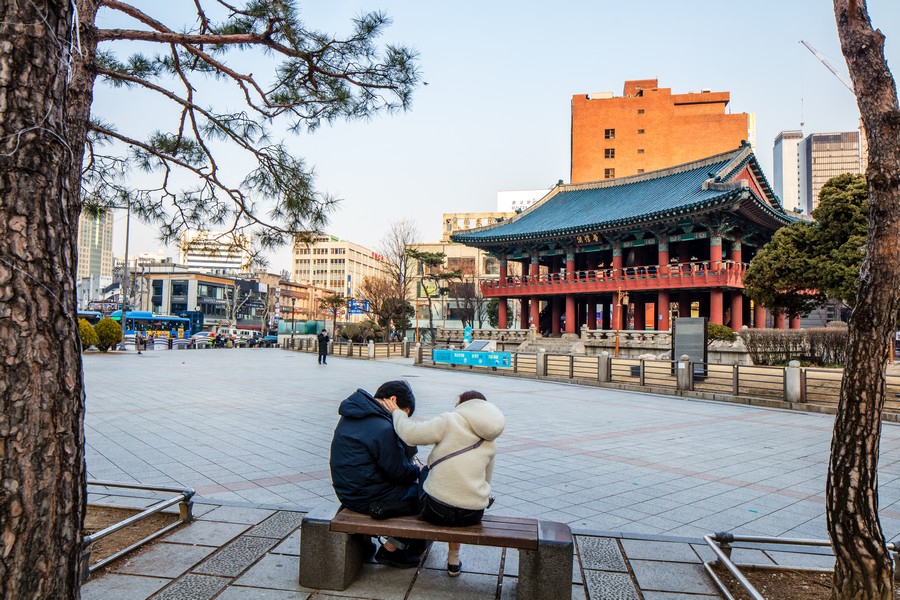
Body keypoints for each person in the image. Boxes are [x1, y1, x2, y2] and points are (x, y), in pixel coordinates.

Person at [380, 390, 504, 577]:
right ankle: (453, 560)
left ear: (463, 405)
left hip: (436, 510)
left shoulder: (450, 420)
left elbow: (410, 435)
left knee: (424, 476)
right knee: (460, 492)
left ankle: (393, 545)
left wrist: (397, 412)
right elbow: (487, 481)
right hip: (472, 514)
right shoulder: (490, 440)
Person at [330, 380, 425, 569]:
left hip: (347, 494)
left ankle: (364, 543)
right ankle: (393, 549)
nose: (400, 420)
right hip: (369, 499)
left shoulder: (353, 413)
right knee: (426, 496)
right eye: (402, 414)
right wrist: (419, 471)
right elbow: (399, 474)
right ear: (392, 400)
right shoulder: (382, 427)